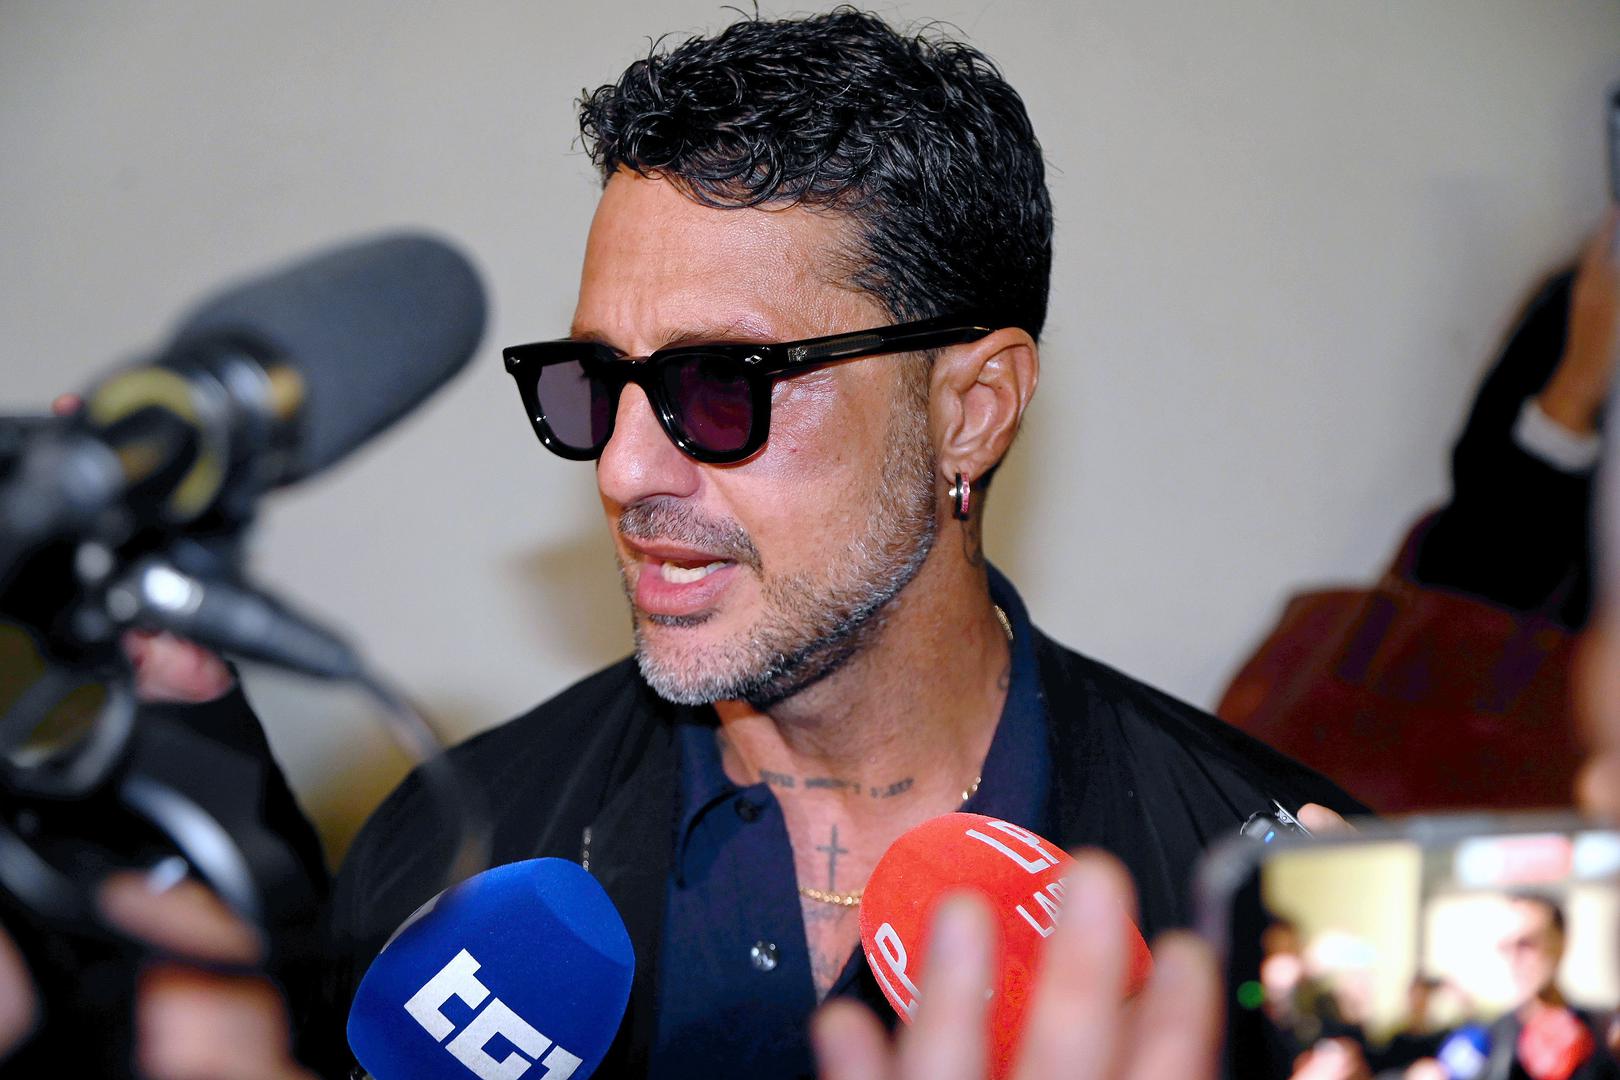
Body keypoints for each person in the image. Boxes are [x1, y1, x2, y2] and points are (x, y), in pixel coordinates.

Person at [320, 10, 1359, 1077]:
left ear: (972, 410)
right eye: (596, 382)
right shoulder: (450, 861)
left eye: (720, 384)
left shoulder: (1277, 922)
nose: (624, 470)